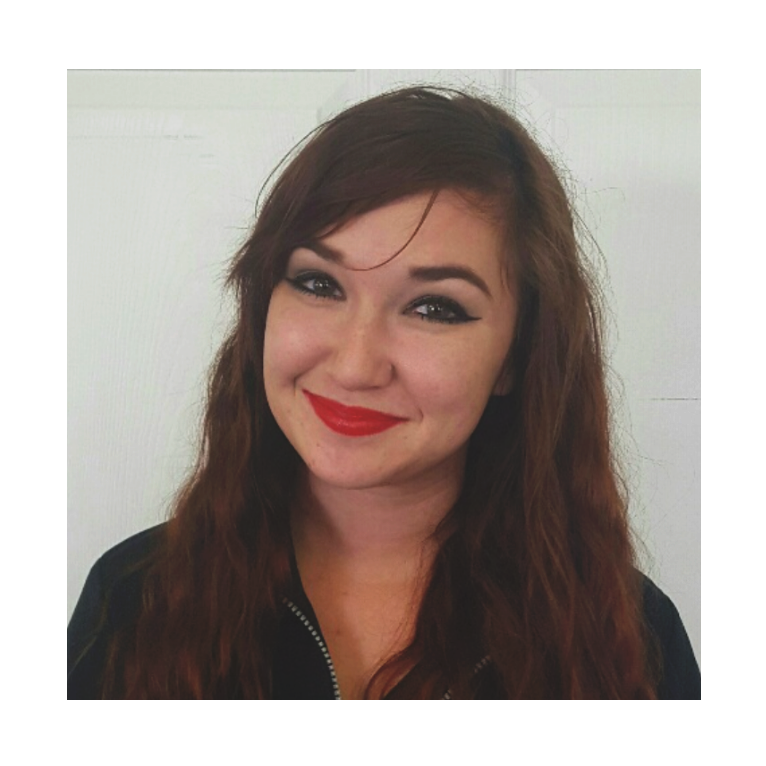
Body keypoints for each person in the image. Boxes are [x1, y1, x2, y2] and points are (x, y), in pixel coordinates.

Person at [67, 86, 700, 699]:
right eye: (319, 284)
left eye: (434, 307)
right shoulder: (131, 599)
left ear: (517, 356)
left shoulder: (629, 642)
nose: (355, 365)